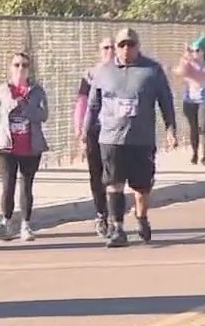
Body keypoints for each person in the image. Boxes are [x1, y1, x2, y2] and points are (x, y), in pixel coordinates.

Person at [81, 28, 176, 248]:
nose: (126, 49)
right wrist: (86, 132)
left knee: (141, 187)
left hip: (140, 138)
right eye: (122, 45)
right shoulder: (104, 72)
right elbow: (93, 105)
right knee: (114, 183)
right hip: (111, 137)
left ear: (137, 46)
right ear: (116, 47)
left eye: (130, 45)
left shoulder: (152, 70)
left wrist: (170, 128)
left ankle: (141, 218)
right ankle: (117, 228)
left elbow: (165, 101)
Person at [0, 51, 49, 242]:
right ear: (11, 68)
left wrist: (27, 107)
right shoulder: (3, 91)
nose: (20, 69)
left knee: (26, 186)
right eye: (16, 65)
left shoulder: (37, 91)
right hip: (7, 147)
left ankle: (26, 225)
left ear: (29, 69)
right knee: (8, 186)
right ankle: (7, 222)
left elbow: (43, 115)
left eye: (24, 65)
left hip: (30, 146)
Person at [74, 37, 116, 237]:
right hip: (94, 130)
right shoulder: (91, 75)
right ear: (100, 51)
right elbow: (82, 104)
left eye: (113, 47)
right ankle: (102, 215)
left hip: (117, 131)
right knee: (96, 175)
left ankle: (116, 216)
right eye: (106, 47)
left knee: (115, 175)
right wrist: (80, 132)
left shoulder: (124, 73)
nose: (110, 51)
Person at [174, 34, 205, 166]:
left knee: (203, 127)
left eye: (197, 50)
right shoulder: (188, 64)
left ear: (203, 52)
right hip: (190, 100)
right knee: (193, 127)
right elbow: (179, 73)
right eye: (193, 50)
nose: (195, 53)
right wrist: (184, 57)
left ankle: (204, 155)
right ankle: (194, 152)